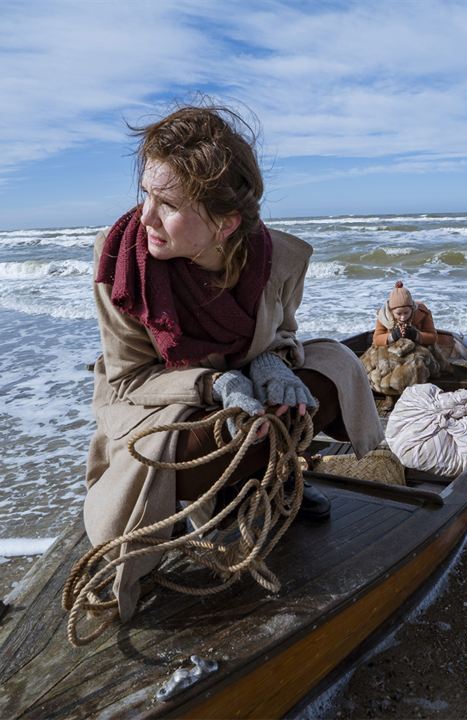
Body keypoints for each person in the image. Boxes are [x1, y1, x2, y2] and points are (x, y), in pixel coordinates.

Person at [84, 104, 383, 621]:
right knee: (215, 439)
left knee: (336, 368)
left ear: (226, 223)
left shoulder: (278, 262)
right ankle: (202, 497)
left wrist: (272, 365)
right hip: (155, 398)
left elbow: (283, 332)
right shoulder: (119, 264)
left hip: (245, 381)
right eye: (146, 196)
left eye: (168, 203)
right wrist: (215, 383)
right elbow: (130, 377)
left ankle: (280, 474)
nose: (146, 217)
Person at [372, 280, 438, 347]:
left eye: (406, 313)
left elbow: (433, 337)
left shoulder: (423, 312)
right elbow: (376, 339)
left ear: (412, 309)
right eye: (399, 314)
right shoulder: (383, 316)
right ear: (391, 311)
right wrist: (392, 336)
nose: (403, 317)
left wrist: (415, 335)